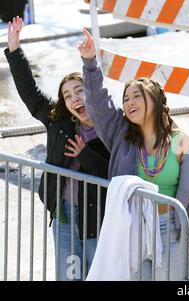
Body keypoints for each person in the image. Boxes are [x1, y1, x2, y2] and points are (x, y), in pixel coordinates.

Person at [78, 29, 189, 281]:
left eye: (137, 96)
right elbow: (98, 105)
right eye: (126, 98)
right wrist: (90, 63)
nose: (129, 102)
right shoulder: (122, 136)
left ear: (155, 100)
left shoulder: (180, 141)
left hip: (171, 229)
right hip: (134, 229)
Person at [4, 17, 110, 281]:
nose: (75, 98)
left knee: (98, 275)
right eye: (67, 95)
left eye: (79, 90)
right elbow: (30, 91)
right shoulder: (58, 122)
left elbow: (112, 172)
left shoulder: (109, 126)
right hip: (63, 213)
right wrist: (15, 51)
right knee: (69, 276)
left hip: (98, 218)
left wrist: (85, 154)